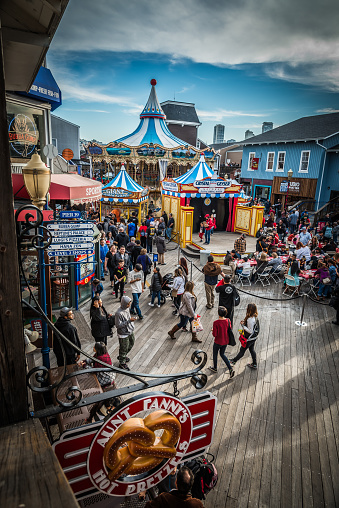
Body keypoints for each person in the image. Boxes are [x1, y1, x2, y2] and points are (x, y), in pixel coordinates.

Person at [230, 303, 259, 369]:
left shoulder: (250, 319)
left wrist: (243, 325)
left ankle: (234, 361)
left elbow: (250, 331)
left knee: (242, 350)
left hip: (249, 338)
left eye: (247, 307)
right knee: (252, 350)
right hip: (253, 338)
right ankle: (254, 364)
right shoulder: (254, 317)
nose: (246, 308)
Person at [209, 306, 235, 376]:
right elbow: (230, 328)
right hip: (225, 341)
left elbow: (215, 334)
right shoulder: (228, 320)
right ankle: (230, 368)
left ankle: (215, 368)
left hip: (218, 342)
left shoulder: (216, 323)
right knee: (222, 354)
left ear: (218, 313)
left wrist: (213, 330)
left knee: (215, 354)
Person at [115, 296, 137, 370]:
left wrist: (130, 321)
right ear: (124, 303)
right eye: (128, 304)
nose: (129, 305)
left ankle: (122, 356)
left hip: (130, 330)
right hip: (123, 333)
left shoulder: (127, 309)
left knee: (132, 343)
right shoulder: (118, 313)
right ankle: (122, 362)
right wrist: (129, 321)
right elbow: (118, 325)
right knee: (124, 347)